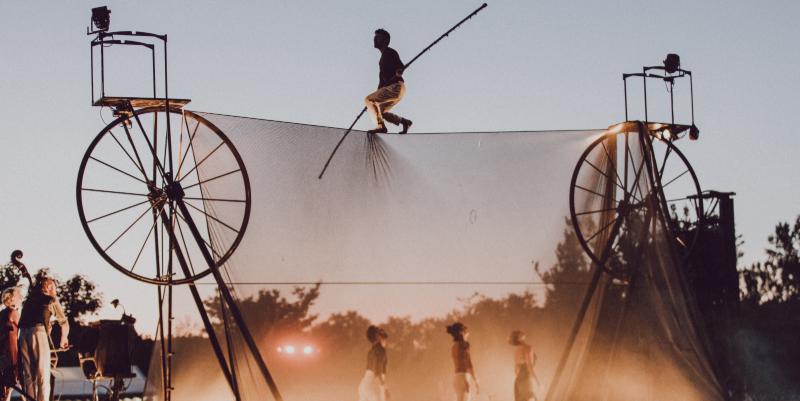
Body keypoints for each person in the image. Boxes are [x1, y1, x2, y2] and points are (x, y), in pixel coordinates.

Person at [18, 270, 69, 401]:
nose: (55, 290)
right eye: (53, 287)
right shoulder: (51, 299)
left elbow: (36, 317)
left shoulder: (28, 301)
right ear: (49, 287)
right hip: (37, 332)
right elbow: (64, 322)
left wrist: (48, 327)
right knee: (43, 373)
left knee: (28, 375)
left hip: (22, 333)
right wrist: (64, 339)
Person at [365, 28, 413, 135]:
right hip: (394, 89)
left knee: (368, 99)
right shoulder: (382, 58)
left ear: (385, 40)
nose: (375, 39)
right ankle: (404, 122)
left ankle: (381, 126)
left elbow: (400, 66)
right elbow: (381, 84)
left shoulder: (390, 52)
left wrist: (398, 72)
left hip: (396, 87)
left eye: (378, 37)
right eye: (375, 37)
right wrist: (374, 100)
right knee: (380, 111)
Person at [446, 322, 479, 401]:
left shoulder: (453, 346)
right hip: (463, 378)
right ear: (461, 332)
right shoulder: (463, 345)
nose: (466, 333)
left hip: (456, 377)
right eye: (465, 331)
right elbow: (469, 364)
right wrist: (476, 381)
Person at [0, 287, 21, 401]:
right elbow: (23, 328)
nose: (20, 299)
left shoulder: (2, 313)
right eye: (18, 297)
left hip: (2, 352)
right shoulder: (13, 313)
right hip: (11, 351)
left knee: (5, 386)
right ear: (12, 299)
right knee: (12, 382)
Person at [358, 325, 389, 401]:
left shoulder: (371, 351)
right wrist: (383, 388)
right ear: (377, 336)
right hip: (372, 385)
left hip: (363, 386)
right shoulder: (381, 350)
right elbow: (377, 371)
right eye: (379, 333)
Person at [509, 330, 539, 401]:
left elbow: (516, 369)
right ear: (519, 338)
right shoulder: (528, 348)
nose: (522, 332)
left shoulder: (516, 351)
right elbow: (530, 367)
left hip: (518, 381)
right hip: (526, 380)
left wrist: (520, 378)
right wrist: (537, 381)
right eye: (519, 333)